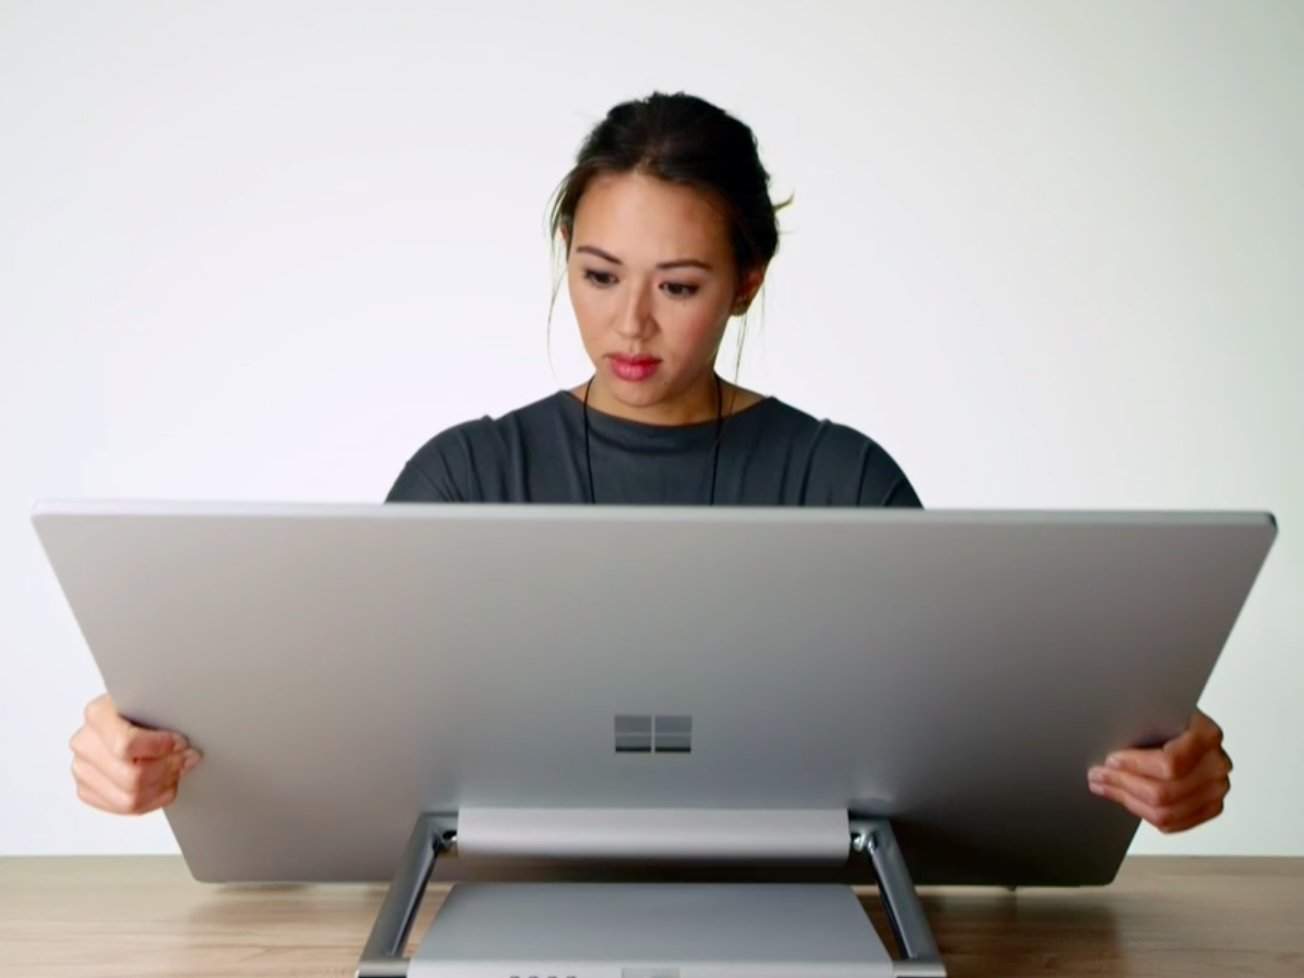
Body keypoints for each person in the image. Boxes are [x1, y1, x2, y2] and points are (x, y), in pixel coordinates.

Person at [68, 91, 1233, 835]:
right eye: (597, 274)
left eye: (677, 287)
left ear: (746, 284)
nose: (629, 325)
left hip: (805, 903)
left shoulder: (845, 484)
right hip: (491, 897)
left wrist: (1156, 759)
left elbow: (965, 744)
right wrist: (152, 735)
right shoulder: (464, 479)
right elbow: (330, 713)